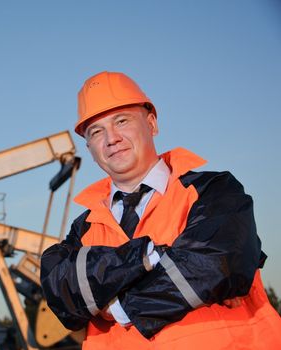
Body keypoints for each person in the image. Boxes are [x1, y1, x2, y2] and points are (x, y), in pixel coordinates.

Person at [40, 71, 281, 349]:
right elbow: (59, 292)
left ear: (152, 124)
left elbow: (217, 264)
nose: (111, 138)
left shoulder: (214, 190)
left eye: (122, 121)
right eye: (96, 131)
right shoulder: (84, 229)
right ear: (90, 148)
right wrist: (151, 256)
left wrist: (114, 305)